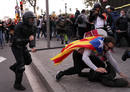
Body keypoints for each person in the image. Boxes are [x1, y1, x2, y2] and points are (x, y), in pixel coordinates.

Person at [53, 36, 129, 87]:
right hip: (79, 54)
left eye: (111, 48)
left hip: (89, 56)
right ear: (104, 44)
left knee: (101, 64)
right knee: (77, 69)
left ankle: (89, 74)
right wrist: (96, 68)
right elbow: (85, 57)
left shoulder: (106, 48)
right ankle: (61, 73)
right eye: (108, 47)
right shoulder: (95, 44)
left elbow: (112, 60)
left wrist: (120, 72)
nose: (109, 49)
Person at [9, 11, 37, 91]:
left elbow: (32, 37)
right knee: (21, 66)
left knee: (28, 61)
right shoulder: (19, 26)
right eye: (30, 19)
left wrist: (32, 47)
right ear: (26, 19)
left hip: (23, 46)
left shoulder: (33, 27)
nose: (32, 20)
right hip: (16, 47)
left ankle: (14, 67)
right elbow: (16, 40)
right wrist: (28, 39)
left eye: (33, 19)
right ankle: (17, 84)